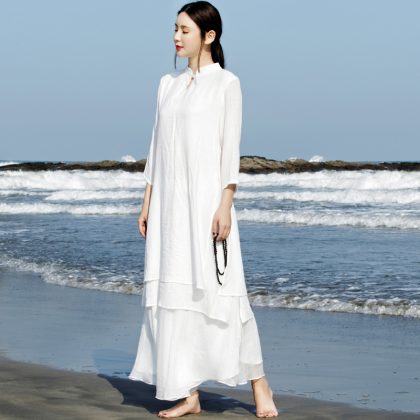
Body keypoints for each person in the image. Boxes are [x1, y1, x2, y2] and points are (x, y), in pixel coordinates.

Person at [128, 1, 278, 418]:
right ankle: (188, 393)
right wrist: (147, 203)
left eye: (184, 30)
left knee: (224, 291)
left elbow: (230, 151)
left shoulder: (227, 83)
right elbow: (156, 149)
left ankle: (259, 383)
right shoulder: (167, 84)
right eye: (174, 29)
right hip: (169, 209)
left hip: (207, 203)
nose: (176, 37)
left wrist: (225, 205)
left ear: (208, 36)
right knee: (174, 294)